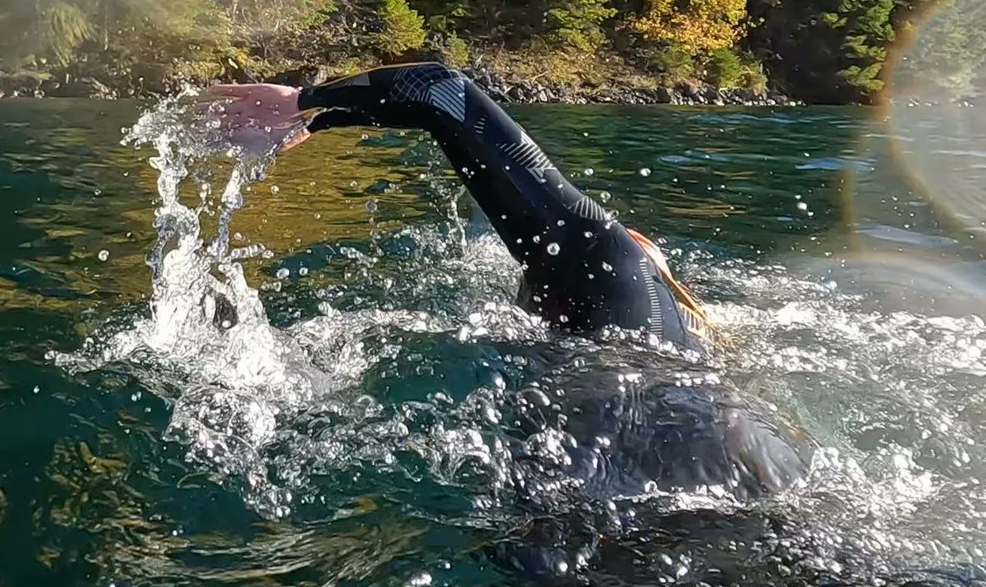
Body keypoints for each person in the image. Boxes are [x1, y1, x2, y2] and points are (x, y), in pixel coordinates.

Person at [203, 61, 815, 503]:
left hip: (607, 469)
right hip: (749, 468)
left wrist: (305, 100)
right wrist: (323, 120)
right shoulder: (682, 341)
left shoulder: (604, 255)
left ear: (642, 254)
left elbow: (442, 90)